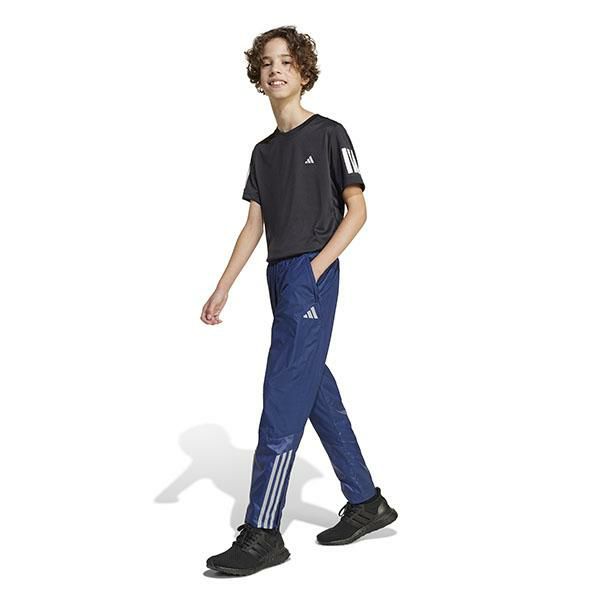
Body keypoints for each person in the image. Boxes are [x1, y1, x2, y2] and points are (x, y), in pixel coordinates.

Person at [201, 26, 397, 576]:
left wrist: (314, 269)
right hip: (278, 274)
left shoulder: (330, 133)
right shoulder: (263, 153)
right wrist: (223, 286)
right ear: (257, 76)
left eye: (286, 61)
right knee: (312, 387)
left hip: (312, 271)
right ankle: (366, 502)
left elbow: (357, 210)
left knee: (283, 392)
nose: (276, 69)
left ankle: (264, 531)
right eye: (267, 63)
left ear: (304, 71)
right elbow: (253, 226)